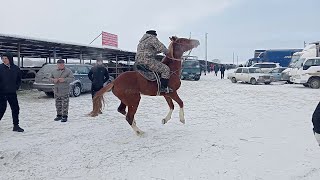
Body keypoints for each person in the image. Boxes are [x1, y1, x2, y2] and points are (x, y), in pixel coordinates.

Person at [0, 52, 24, 132]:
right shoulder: (0, 68)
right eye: (3, 58)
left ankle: (16, 126)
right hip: (1, 93)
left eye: (6, 58)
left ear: (10, 58)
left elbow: (19, 79)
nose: (4, 60)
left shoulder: (16, 68)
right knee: (1, 109)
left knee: (15, 108)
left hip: (12, 92)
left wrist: (15, 87)